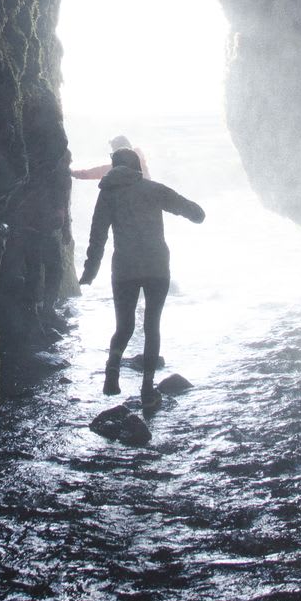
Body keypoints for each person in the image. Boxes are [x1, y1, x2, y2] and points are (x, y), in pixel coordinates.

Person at [78, 148, 204, 407]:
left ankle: (112, 372)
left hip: (124, 270)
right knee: (151, 327)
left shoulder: (107, 196)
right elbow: (190, 210)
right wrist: (197, 213)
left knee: (124, 327)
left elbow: (97, 237)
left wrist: (90, 272)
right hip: (157, 266)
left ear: (114, 168)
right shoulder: (152, 189)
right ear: (136, 167)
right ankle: (147, 388)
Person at [71, 132, 150, 181]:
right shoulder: (138, 162)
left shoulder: (124, 168)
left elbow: (99, 171)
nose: (114, 156)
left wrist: (74, 173)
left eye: (114, 152)